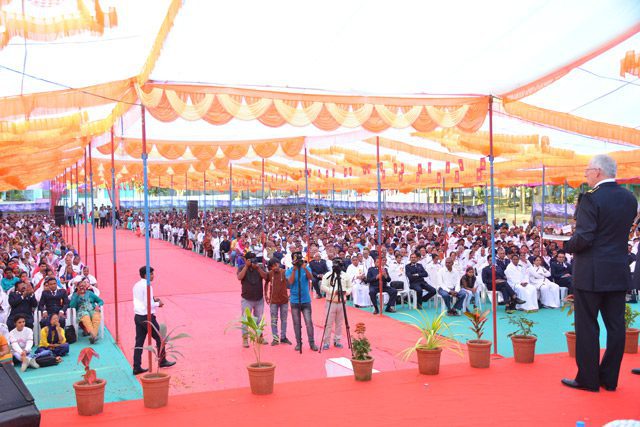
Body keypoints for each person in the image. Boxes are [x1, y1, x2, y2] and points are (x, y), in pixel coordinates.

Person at [561, 155, 637, 392]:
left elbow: (584, 238)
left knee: (587, 326)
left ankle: (589, 379)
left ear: (598, 172)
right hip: (617, 270)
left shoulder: (590, 199)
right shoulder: (629, 198)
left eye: (587, 170)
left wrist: (565, 245)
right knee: (616, 327)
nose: (585, 174)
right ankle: (610, 378)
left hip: (591, 272)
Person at [132, 266, 175, 375]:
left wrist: (153, 299)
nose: (153, 276)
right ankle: (162, 360)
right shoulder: (147, 286)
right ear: (146, 275)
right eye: (151, 274)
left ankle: (136, 366)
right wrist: (157, 303)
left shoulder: (136, 285)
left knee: (139, 342)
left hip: (138, 316)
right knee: (160, 337)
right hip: (147, 317)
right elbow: (148, 304)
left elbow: (142, 299)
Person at [286, 251, 318, 352]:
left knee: (309, 322)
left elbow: (311, 278)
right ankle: (298, 343)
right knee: (296, 323)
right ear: (293, 260)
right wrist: (295, 270)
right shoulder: (289, 270)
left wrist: (304, 268)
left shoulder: (306, 268)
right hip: (295, 300)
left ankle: (312, 343)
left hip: (306, 300)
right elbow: (290, 283)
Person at [320, 258, 352, 350]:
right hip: (331, 302)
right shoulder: (328, 275)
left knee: (339, 323)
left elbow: (350, 287)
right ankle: (326, 342)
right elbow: (322, 286)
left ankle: (337, 340)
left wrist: (345, 292)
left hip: (342, 302)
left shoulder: (345, 275)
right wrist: (333, 291)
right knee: (328, 323)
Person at [237, 251, 268, 348]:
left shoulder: (260, 267)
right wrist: (246, 266)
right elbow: (239, 277)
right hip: (247, 298)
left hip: (259, 298)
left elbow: (266, 277)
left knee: (259, 319)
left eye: (253, 259)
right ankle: (245, 339)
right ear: (245, 260)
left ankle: (259, 337)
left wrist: (258, 268)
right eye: (249, 260)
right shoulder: (242, 267)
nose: (252, 261)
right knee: (246, 320)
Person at [264, 258, 291, 345]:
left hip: (284, 300)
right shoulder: (269, 274)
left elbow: (291, 282)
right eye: (273, 266)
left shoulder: (284, 272)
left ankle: (283, 337)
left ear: (278, 264)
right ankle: (275, 338)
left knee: (284, 320)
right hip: (273, 301)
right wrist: (266, 295)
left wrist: (291, 294)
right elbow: (266, 284)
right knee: (274, 320)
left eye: (276, 265)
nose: (275, 267)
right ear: (270, 267)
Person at [69, 279, 103, 344]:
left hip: (92, 309)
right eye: (80, 286)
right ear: (77, 287)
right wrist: (76, 296)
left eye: (84, 286)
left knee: (96, 316)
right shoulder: (75, 295)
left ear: (86, 287)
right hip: (82, 311)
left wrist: (98, 305)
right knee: (86, 317)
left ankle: (93, 336)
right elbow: (72, 306)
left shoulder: (90, 293)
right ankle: (94, 335)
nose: (82, 287)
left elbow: (101, 301)